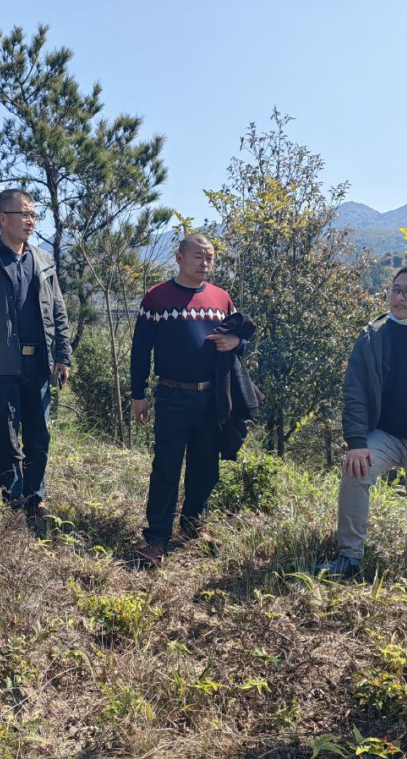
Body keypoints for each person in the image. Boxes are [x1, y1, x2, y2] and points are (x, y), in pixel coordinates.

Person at [317, 265, 407, 579]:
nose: (399, 296)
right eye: (395, 289)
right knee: (355, 473)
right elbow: (356, 391)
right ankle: (348, 558)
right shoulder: (373, 335)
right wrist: (357, 443)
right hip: (387, 435)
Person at [130, 233, 245, 567]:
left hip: (211, 397)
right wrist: (138, 394)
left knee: (205, 467)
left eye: (209, 257)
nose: (204, 263)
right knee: (166, 466)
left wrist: (236, 341)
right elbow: (140, 350)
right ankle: (156, 538)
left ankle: (193, 526)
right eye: (198, 256)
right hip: (170, 395)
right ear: (179, 258)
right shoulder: (156, 298)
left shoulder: (222, 298)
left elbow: (240, 342)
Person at [0, 189, 71, 529]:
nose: (30, 221)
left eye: (33, 215)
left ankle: (36, 497)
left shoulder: (43, 260)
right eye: (23, 214)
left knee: (39, 435)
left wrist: (62, 355)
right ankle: (14, 499)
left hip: (38, 364)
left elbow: (58, 310)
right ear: (2, 217)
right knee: (6, 436)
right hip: (1, 366)